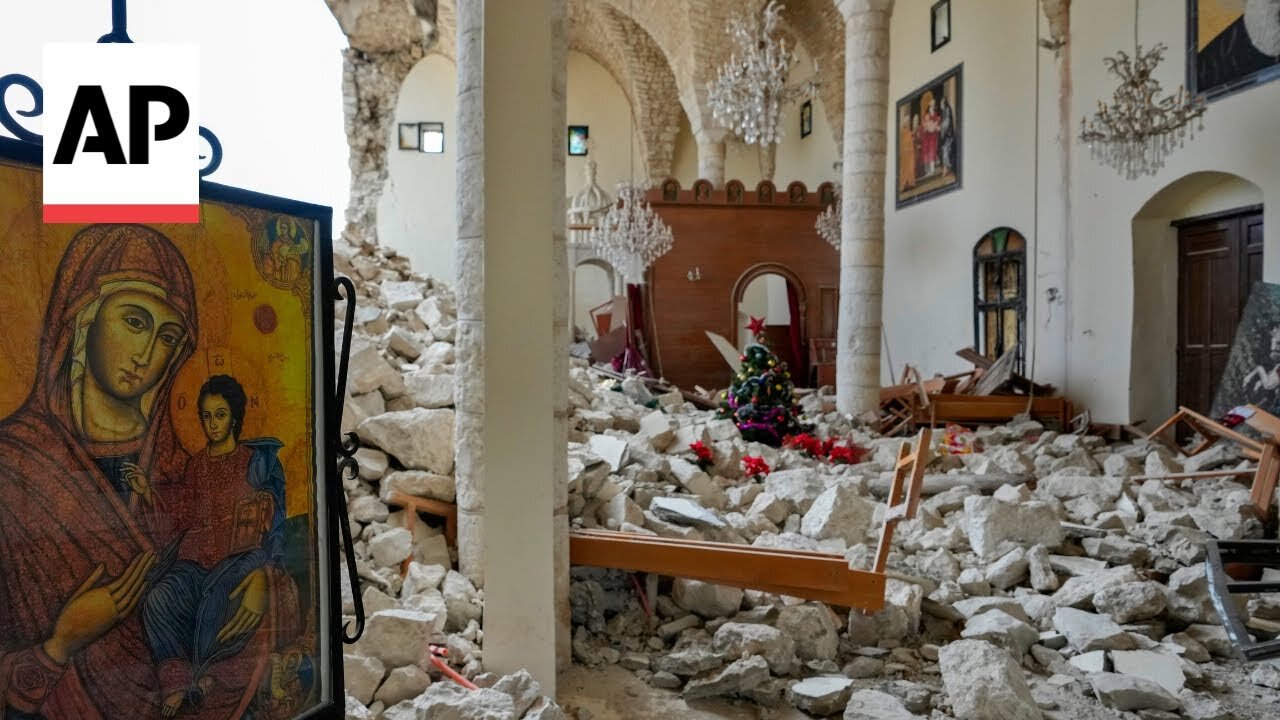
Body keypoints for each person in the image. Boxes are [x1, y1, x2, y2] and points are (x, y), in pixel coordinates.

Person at [0, 224, 196, 719]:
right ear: (85, 318)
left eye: (167, 336)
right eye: (134, 320)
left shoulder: (175, 468)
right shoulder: (12, 465)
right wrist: (60, 645)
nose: (147, 355)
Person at [140, 375, 287, 717]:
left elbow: (278, 518)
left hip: (240, 556)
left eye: (220, 415)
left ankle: (206, 675)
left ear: (234, 417)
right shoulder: (196, 465)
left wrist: (270, 566)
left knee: (215, 600)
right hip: (193, 559)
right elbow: (181, 516)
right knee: (158, 598)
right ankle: (177, 680)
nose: (212, 424)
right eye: (206, 416)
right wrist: (148, 494)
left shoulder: (258, 460)